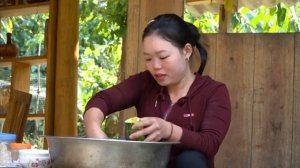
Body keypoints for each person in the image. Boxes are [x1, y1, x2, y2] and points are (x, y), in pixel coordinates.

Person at [83, 13, 231, 168]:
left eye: (163, 57)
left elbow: (210, 143)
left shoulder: (214, 91)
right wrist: (96, 133)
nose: (155, 66)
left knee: (191, 159)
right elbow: (102, 100)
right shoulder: (145, 82)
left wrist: (169, 130)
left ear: (186, 51)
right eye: (148, 59)